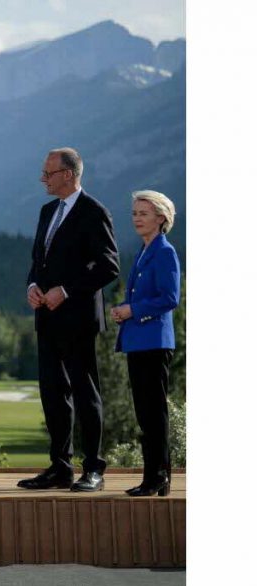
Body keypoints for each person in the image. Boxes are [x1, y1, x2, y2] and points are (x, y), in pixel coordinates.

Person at [20, 147, 119, 492]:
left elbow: (109, 266)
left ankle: (94, 469)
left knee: (85, 393)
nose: (42, 179)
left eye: (48, 174)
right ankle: (60, 468)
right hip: (47, 318)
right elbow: (38, 261)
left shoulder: (94, 212)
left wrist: (66, 290)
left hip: (78, 319)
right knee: (52, 393)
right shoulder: (48, 210)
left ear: (68, 174)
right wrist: (32, 286)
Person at [111, 191, 180, 497]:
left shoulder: (164, 252)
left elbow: (170, 298)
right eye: (135, 213)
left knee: (153, 414)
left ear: (161, 218)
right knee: (145, 414)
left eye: (144, 213)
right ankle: (155, 478)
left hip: (154, 343)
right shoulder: (144, 251)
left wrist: (132, 310)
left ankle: (157, 478)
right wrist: (122, 310)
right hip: (138, 342)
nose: (137, 219)